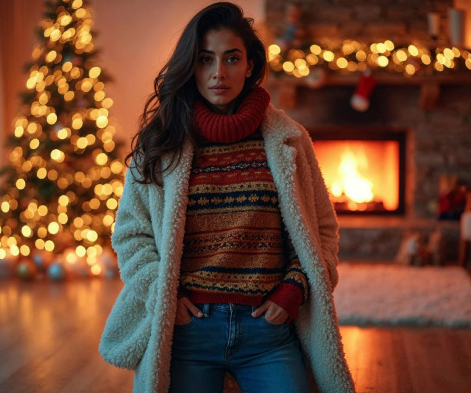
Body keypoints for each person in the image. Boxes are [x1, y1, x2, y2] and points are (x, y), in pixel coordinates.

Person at [99, 3, 356, 393]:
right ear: (192, 66)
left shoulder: (289, 140)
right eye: (205, 60)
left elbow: (322, 227)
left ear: (250, 65)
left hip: (267, 333)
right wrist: (161, 292)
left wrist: (295, 288)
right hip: (189, 331)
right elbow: (132, 235)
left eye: (232, 58)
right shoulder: (162, 142)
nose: (219, 72)